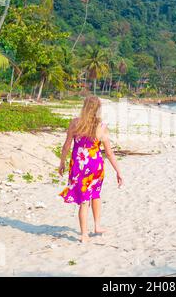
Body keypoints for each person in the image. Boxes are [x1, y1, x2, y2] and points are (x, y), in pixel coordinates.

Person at [58, 96, 123, 243]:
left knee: (84, 200)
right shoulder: (101, 126)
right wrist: (118, 171)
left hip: (79, 165)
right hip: (96, 166)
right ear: (98, 109)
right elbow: (109, 152)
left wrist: (62, 162)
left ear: (85, 107)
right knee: (95, 194)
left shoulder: (75, 123)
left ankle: (84, 234)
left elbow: (67, 145)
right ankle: (97, 226)